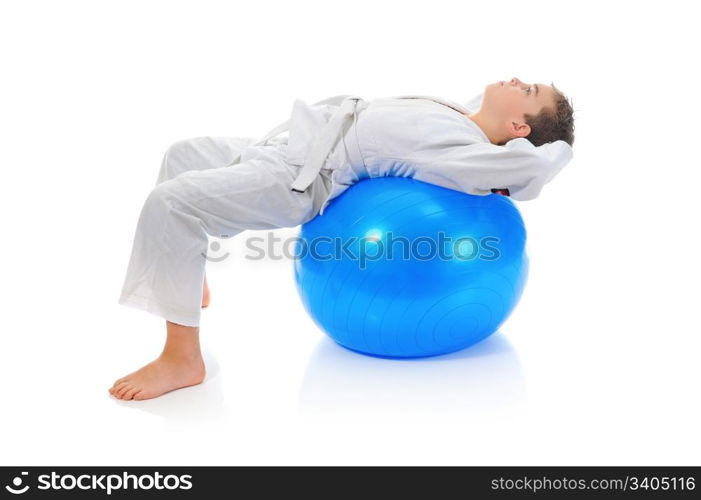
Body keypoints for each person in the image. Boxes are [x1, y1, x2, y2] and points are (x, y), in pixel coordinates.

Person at [109, 77, 576, 401]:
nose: (517, 80)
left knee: (171, 203)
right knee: (182, 154)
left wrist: (553, 143)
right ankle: (190, 276)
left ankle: (182, 358)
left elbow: (534, 164)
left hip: (298, 178)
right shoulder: (460, 116)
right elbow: (502, 120)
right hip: (288, 145)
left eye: (529, 91)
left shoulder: (465, 153)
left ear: (520, 129)